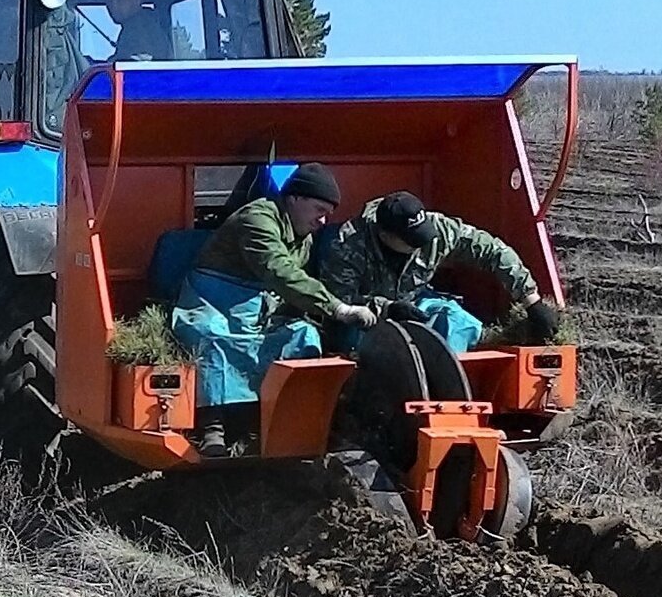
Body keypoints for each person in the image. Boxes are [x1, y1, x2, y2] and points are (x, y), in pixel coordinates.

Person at [171, 163, 379, 457]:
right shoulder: (257, 219)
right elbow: (278, 270)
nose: (323, 221)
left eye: (327, 213)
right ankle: (212, 427)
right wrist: (337, 308)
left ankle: (281, 421)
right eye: (319, 209)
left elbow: (291, 286)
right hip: (213, 300)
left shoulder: (303, 236)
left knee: (302, 335)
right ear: (294, 198)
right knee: (212, 337)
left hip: (262, 307)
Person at [318, 191, 559, 353]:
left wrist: (531, 301)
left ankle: (445, 391)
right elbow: (338, 302)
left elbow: (493, 251)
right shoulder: (348, 243)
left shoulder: (438, 228)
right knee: (365, 344)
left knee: (462, 323)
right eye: (412, 240)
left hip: (415, 302)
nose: (422, 243)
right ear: (385, 236)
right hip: (366, 317)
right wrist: (386, 308)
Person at [105, 0, 173, 62]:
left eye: (120, 0)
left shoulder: (141, 27)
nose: (113, 6)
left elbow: (138, 61)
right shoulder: (136, 24)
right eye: (109, 1)